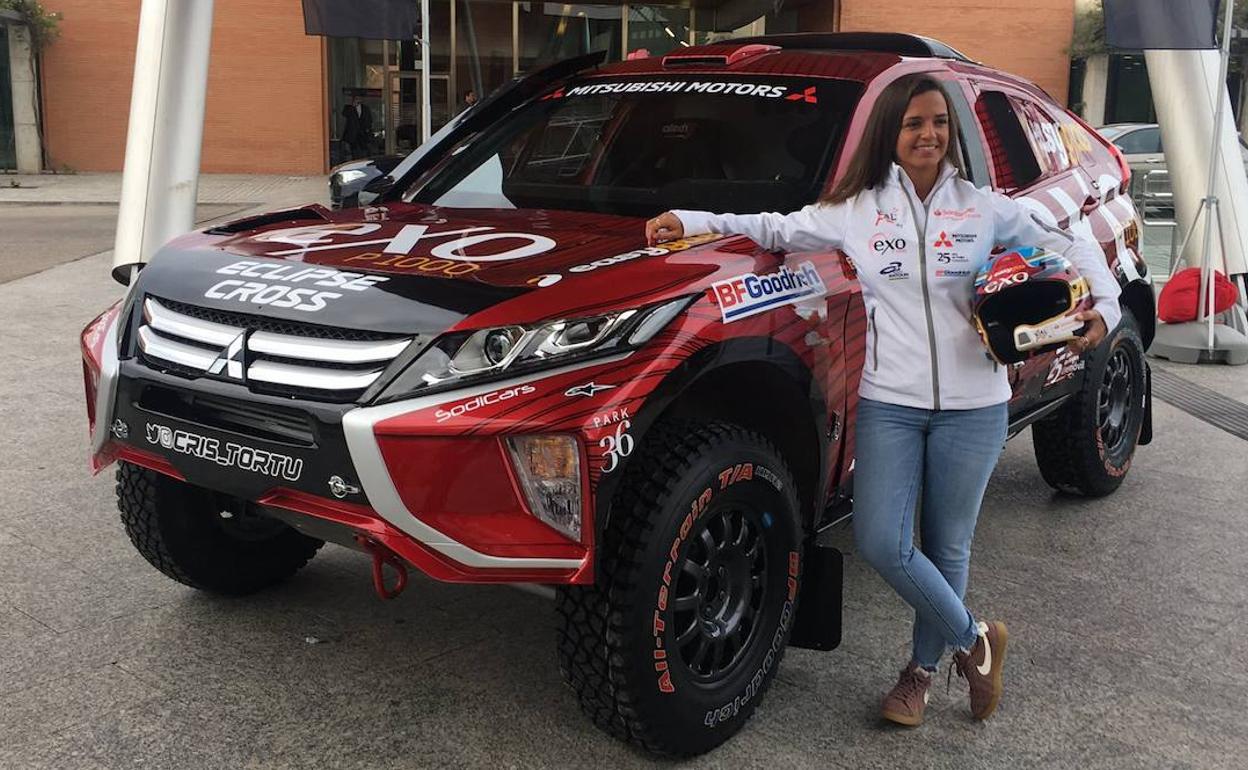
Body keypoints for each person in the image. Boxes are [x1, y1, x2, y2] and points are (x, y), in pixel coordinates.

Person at [645, 73, 1121, 726]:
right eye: (913, 124)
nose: (928, 134)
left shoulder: (985, 208)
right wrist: (691, 220)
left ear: (950, 133)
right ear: (890, 137)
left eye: (938, 123)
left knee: (947, 545)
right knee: (880, 539)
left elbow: (1071, 242)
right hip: (890, 404)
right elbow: (772, 226)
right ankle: (976, 641)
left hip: (973, 404)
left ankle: (919, 678)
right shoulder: (859, 211)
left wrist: (1108, 306)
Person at [340, 95, 373, 160]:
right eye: (356, 99)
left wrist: (367, 129)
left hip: (363, 135)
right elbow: (344, 114)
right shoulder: (348, 108)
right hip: (352, 135)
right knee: (352, 153)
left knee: (363, 153)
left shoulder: (365, 108)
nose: (358, 100)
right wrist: (353, 106)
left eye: (359, 99)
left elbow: (369, 119)